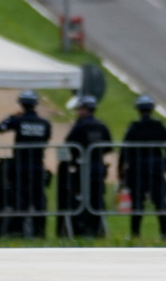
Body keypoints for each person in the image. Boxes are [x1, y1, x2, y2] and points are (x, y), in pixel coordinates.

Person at [0, 90, 51, 238]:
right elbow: (46, 137)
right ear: (35, 104)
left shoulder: (18, 121)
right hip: (37, 166)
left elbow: (0, 128)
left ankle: (19, 230)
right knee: (38, 199)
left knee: (21, 199)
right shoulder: (44, 123)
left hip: (20, 167)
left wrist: (12, 117)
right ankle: (39, 231)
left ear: (21, 104)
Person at [119, 94, 166, 239]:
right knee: (160, 202)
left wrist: (121, 170)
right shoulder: (159, 126)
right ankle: (164, 233)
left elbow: (124, 150)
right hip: (155, 168)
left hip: (136, 169)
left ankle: (135, 234)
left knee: (137, 203)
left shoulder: (134, 127)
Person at [63, 95, 112, 237]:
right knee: (97, 199)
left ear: (86, 110)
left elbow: (70, 143)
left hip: (82, 168)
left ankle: (82, 228)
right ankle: (97, 228)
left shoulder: (80, 126)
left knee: (81, 198)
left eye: (80, 109)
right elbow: (108, 146)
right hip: (98, 168)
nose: (78, 112)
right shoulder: (102, 126)